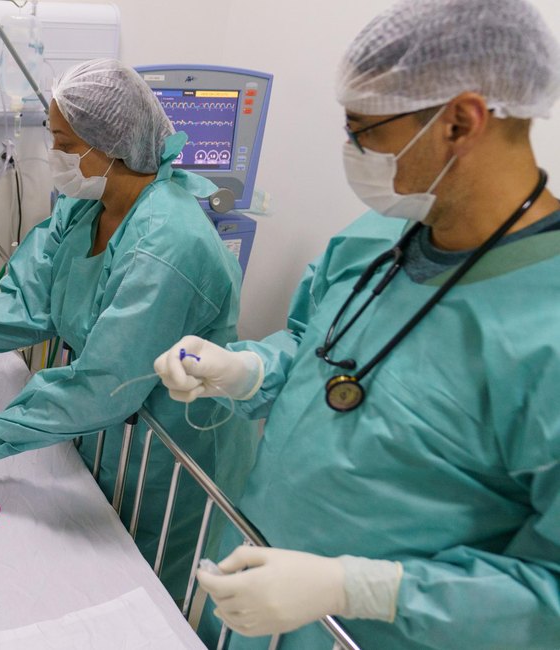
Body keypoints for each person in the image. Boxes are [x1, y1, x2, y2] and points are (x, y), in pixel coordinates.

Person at [154, 1, 560, 647]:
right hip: (259, 599)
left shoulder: (546, 328)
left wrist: (357, 589)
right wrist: (249, 368)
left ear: (460, 120)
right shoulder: (371, 241)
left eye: (364, 128)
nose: (352, 148)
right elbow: (316, 347)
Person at [0, 58, 258, 600]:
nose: (55, 156)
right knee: (85, 565)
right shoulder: (88, 208)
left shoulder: (168, 246)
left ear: (110, 146)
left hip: (172, 449)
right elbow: (25, 306)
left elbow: (107, 380)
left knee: (145, 594)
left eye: (63, 143)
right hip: (109, 428)